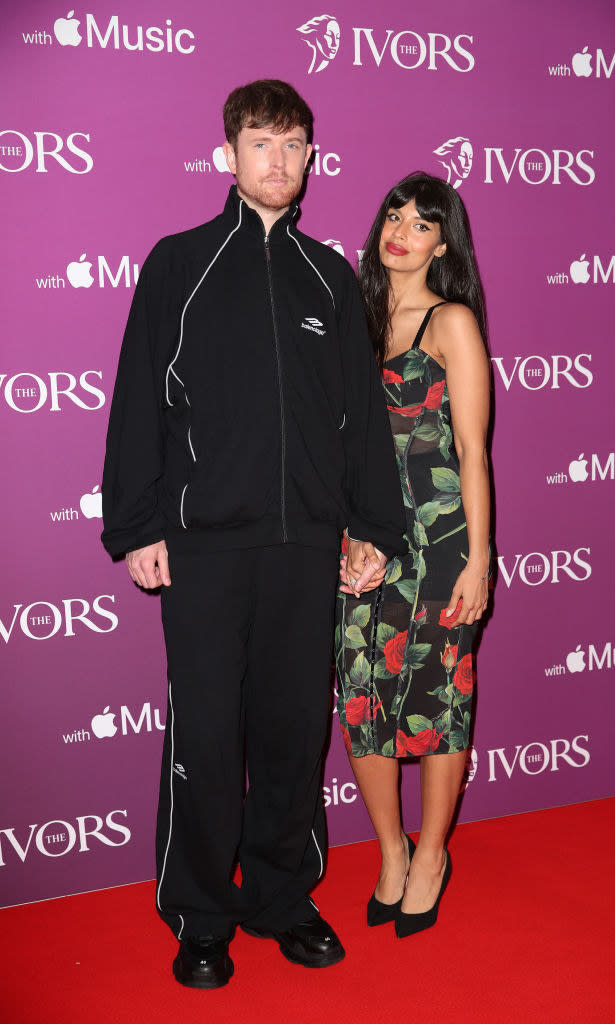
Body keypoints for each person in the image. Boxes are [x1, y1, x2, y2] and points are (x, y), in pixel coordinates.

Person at [101, 80, 406, 988]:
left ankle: (281, 896)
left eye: (293, 144)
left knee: (289, 730)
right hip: (202, 547)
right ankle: (201, 913)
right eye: (260, 143)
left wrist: (374, 528)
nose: (278, 159)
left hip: (305, 545)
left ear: (312, 157)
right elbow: (137, 406)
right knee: (204, 733)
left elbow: (360, 418)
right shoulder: (178, 264)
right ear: (227, 156)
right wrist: (136, 525)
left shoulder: (328, 278)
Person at [335, 172, 491, 937]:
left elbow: (471, 451)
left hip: (439, 546)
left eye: (421, 223)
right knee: (361, 700)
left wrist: (479, 558)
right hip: (362, 543)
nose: (400, 230)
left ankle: (431, 855)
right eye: (393, 215)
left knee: (436, 700)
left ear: (441, 242)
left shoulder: (449, 321)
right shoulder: (349, 318)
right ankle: (390, 852)